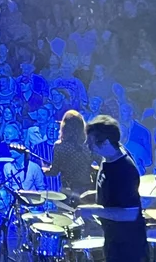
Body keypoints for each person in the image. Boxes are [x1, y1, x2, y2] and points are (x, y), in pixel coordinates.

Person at [75, 116, 147, 262]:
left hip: (128, 247)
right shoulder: (109, 156)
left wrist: (92, 210)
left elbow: (129, 214)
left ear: (106, 142)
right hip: (114, 238)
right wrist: (95, 194)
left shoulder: (125, 169)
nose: (87, 144)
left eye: (91, 142)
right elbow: (115, 191)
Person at [45, 110, 93, 201]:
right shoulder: (88, 144)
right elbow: (101, 161)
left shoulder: (59, 146)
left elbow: (54, 172)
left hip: (68, 189)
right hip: (87, 189)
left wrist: (45, 170)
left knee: (65, 213)